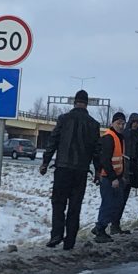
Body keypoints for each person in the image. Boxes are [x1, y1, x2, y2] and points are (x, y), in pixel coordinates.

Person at [39, 90, 100, 250]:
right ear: (86, 103)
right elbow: (96, 151)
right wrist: (98, 171)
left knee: (58, 202)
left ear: (74, 102)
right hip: (81, 171)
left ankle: (56, 234)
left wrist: (45, 162)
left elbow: (53, 141)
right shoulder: (94, 124)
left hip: (63, 168)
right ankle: (70, 241)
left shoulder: (64, 119)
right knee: (75, 206)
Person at [92, 112, 127, 243]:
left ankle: (100, 227)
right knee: (108, 204)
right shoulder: (109, 138)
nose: (121, 126)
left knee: (115, 203)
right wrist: (113, 178)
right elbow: (105, 160)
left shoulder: (119, 137)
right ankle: (100, 229)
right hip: (108, 178)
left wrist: (120, 176)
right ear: (112, 123)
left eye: (123, 124)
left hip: (115, 177)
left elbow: (119, 159)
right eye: (119, 123)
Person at [111, 112, 138, 234]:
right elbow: (125, 155)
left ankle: (115, 224)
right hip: (124, 171)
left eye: (137, 123)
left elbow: (137, 156)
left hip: (132, 171)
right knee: (119, 200)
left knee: (122, 200)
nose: (135, 124)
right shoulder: (126, 135)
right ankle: (113, 225)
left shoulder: (137, 136)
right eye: (134, 122)